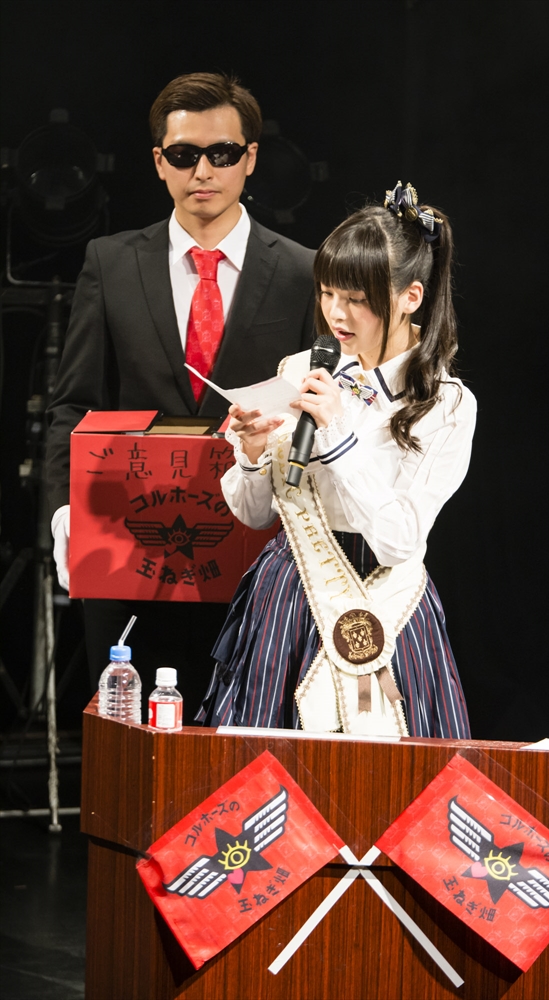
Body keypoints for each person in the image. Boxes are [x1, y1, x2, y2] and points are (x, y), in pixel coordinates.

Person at [45, 72, 316, 715]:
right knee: (128, 747)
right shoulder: (110, 263)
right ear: (159, 161)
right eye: (184, 153)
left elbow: (321, 410)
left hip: (257, 557)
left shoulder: (304, 271)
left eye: (222, 153)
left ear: (250, 158)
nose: (204, 170)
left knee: (244, 746)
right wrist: (64, 512)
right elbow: (73, 404)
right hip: (127, 550)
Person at [197, 182, 476, 738]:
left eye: (356, 299)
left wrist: (340, 434)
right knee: (265, 774)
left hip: (385, 603)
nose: (336, 314)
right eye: (327, 293)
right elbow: (255, 514)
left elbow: (399, 541)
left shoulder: (445, 404)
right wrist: (252, 453)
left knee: (383, 773)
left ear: (410, 297)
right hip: (288, 595)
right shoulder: (303, 368)